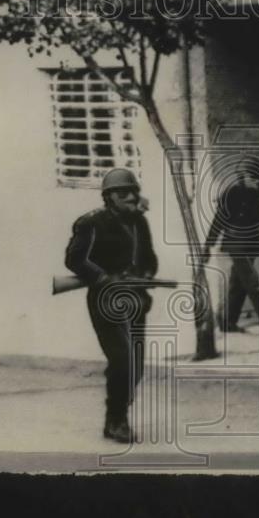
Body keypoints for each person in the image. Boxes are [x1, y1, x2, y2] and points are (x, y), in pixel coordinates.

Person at [65, 167, 158, 443]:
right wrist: (103, 277)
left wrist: (146, 276)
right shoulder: (91, 223)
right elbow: (74, 260)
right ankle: (117, 421)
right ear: (109, 197)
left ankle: (115, 412)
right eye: (123, 192)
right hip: (105, 300)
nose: (131, 196)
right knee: (121, 360)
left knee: (136, 365)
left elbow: (149, 257)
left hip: (136, 300)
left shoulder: (139, 223)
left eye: (133, 191)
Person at [202, 156, 259, 334]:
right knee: (252, 282)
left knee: (238, 285)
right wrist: (208, 245)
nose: (254, 180)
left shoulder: (253, 196)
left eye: (256, 176)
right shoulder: (232, 194)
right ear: (242, 176)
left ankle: (228, 322)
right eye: (251, 176)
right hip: (236, 244)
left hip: (252, 246)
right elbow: (218, 221)